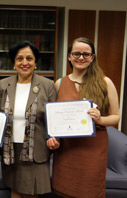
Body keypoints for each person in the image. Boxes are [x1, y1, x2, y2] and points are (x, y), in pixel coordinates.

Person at [47, 37, 120, 198]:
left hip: (93, 149)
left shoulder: (105, 83)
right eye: (76, 53)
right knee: (63, 191)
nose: (81, 57)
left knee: (90, 191)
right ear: (69, 56)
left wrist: (100, 119)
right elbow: (54, 119)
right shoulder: (59, 83)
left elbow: (116, 117)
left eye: (86, 54)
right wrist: (53, 138)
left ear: (92, 58)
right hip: (67, 150)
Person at [0, 40, 57, 198]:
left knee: (31, 193)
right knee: (14, 190)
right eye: (19, 58)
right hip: (11, 150)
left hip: (35, 149)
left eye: (29, 58)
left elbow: (54, 119)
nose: (24, 62)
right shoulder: (3, 85)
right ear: (14, 63)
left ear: (35, 62)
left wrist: (55, 138)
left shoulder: (47, 85)